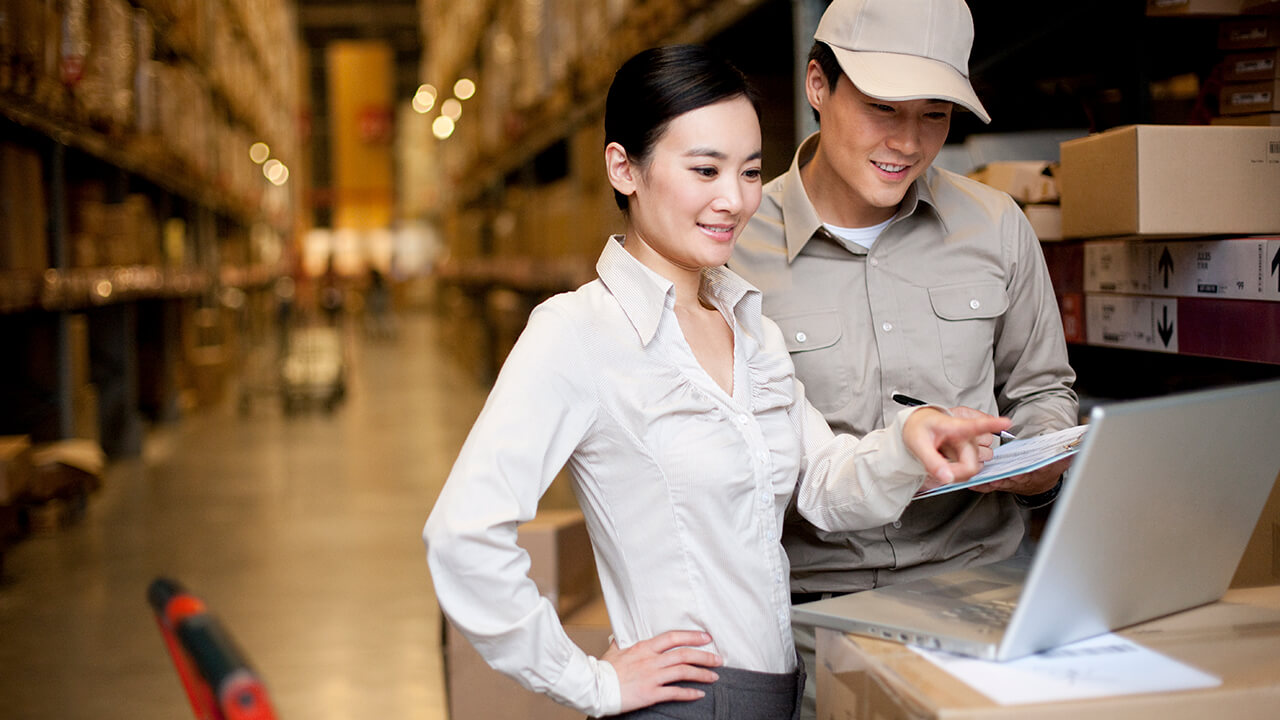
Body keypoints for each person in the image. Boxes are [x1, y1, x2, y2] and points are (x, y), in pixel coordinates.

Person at [423, 44, 1011, 720]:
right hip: (687, 703)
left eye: (751, 171)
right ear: (624, 168)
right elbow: (462, 534)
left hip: (779, 690)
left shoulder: (748, 322)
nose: (734, 200)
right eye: (705, 169)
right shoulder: (577, 334)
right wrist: (592, 684)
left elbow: (818, 484)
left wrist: (908, 441)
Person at [727, 1, 1080, 717]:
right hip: (807, 616)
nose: (908, 142)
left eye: (935, 115)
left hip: (981, 592)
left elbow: (1044, 391)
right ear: (818, 84)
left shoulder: (996, 228)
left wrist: (1032, 461)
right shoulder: (732, 246)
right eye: (884, 107)